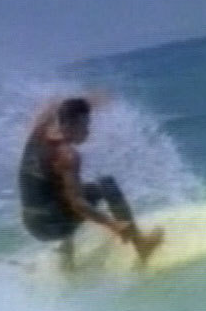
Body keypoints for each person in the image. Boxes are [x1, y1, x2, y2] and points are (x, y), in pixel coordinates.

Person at [18, 96, 163, 270]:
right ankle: (141, 245)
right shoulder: (67, 155)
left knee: (60, 191)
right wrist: (113, 225)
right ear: (69, 125)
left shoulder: (38, 132)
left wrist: (87, 102)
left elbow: (51, 106)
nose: (88, 131)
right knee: (105, 184)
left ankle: (66, 261)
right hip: (54, 228)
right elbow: (78, 204)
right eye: (84, 125)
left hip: (32, 224)